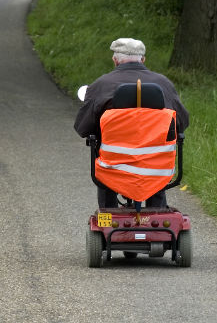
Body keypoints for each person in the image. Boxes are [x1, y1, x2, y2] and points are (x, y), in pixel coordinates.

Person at [74, 38, 189, 208]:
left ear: (115, 60)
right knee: (155, 171)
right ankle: (156, 212)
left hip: (114, 168)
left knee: (105, 167)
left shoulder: (102, 85)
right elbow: (182, 122)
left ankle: (108, 212)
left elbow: (83, 127)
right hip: (155, 169)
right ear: (143, 60)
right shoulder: (164, 84)